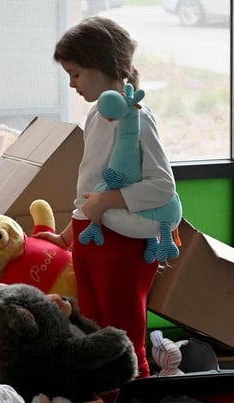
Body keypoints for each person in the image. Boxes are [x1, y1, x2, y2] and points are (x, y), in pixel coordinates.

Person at [35, 16, 177, 379]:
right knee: (95, 332)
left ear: (104, 65)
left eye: (77, 73)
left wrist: (107, 202)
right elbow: (93, 188)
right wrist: (67, 235)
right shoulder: (99, 114)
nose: (71, 84)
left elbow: (162, 187)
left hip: (123, 246)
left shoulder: (137, 118)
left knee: (124, 339)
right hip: (94, 240)